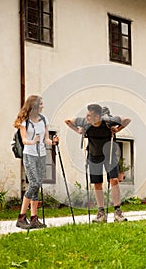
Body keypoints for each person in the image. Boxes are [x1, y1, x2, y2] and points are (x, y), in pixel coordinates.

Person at [65, 104, 131, 223]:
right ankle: (101, 213)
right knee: (97, 184)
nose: (86, 117)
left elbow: (127, 119)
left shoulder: (108, 122)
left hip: (109, 155)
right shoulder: (85, 122)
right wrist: (78, 130)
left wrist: (117, 129)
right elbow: (68, 121)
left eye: (89, 115)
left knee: (114, 180)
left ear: (97, 116)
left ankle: (117, 212)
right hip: (94, 156)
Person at [14, 95, 58, 229]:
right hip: (30, 154)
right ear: (33, 106)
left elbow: (46, 139)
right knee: (34, 183)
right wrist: (32, 141)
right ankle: (21, 217)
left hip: (42, 155)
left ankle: (34, 219)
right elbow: (24, 140)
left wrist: (53, 142)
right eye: (40, 105)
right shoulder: (24, 121)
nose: (42, 107)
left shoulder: (44, 120)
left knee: (37, 185)